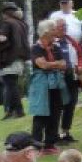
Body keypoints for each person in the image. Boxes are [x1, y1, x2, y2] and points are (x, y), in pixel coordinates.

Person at [27, 19, 69, 150]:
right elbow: (42, 65)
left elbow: (64, 64)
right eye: (53, 29)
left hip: (56, 84)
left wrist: (51, 65)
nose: (55, 32)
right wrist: (55, 65)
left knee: (55, 113)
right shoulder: (35, 48)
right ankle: (36, 144)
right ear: (46, 32)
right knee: (41, 113)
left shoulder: (55, 47)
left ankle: (50, 143)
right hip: (41, 84)